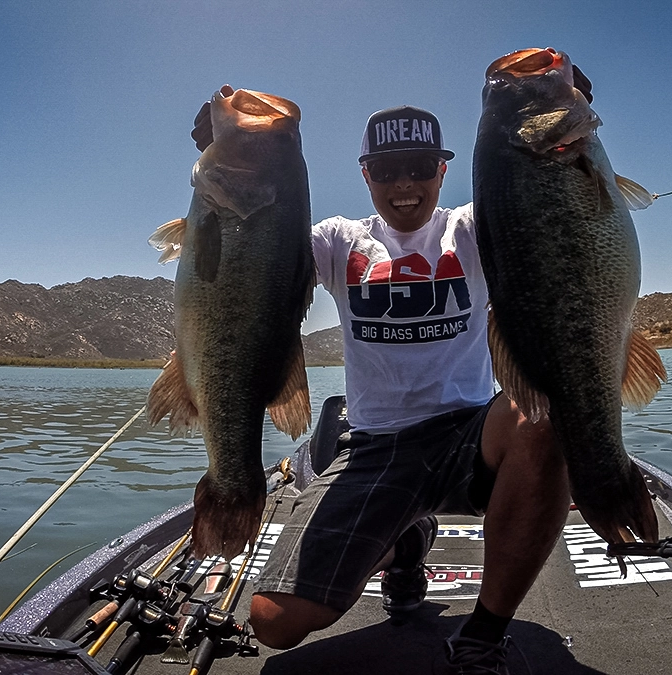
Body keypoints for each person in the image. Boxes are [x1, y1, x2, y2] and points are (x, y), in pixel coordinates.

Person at [192, 95, 571, 674]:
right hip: (375, 446)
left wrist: (557, 126)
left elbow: (543, 209)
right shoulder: (337, 240)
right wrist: (232, 155)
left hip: (471, 434)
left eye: (420, 167)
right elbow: (252, 251)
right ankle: (402, 543)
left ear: (442, 170)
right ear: (366, 174)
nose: (405, 184)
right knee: (272, 622)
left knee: (541, 420)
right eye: (388, 170)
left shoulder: (472, 230)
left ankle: (484, 634)